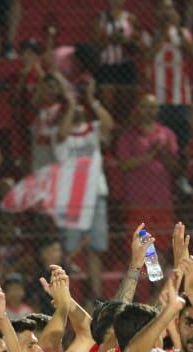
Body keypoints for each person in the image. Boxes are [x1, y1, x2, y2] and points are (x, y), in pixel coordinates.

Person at [53, 76, 114, 296]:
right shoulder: (61, 135)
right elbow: (61, 134)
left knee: (95, 250)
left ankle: (96, 297)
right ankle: (64, 297)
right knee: (69, 250)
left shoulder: (92, 129)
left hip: (95, 194)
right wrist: (71, 105)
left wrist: (92, 100)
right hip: (73, 197)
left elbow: (109, 125)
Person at [115, 94, 179, 238]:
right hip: (138, 202)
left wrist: (162, 154)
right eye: (145, 107)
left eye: (153, 107)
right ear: (138, 109)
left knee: (161, 244)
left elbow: (175, 167)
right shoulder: (128, 136)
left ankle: (158, 262)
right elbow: (124, 165)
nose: (149, 111)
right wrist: (149, 156)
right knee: (143, 246)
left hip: (162, 201)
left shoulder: (167, 134)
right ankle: (148, 261)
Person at [142, 0, 193, 149]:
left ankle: (181, 172)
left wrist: (177, 28)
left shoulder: (183, 32)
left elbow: (192, 52)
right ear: (155, 12)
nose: (166, 13)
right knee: (159, 142)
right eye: (162, 9)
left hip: (181, 96)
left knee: (182, 143)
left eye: (169, 9)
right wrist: (161, 34)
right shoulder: (148, 34)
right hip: (158, 97)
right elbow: (147, 57)